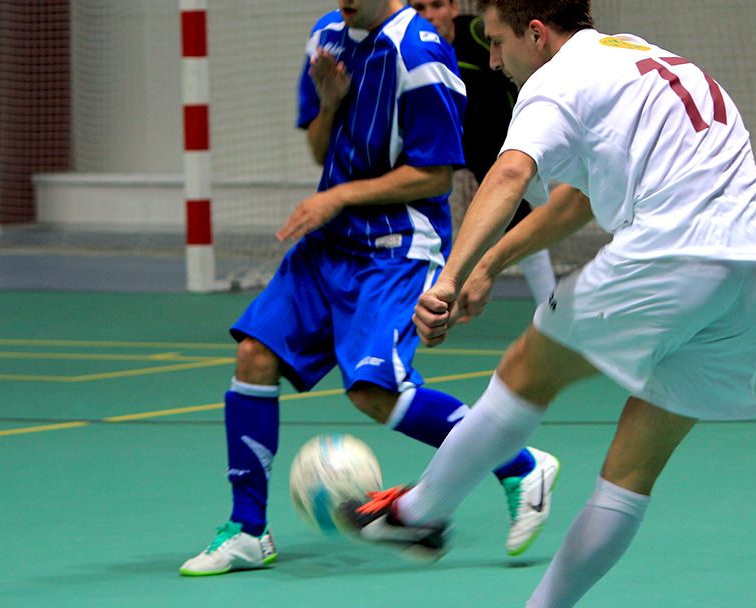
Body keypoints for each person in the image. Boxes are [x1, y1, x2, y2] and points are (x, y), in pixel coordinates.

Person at [346, 0, 756, 605]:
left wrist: (449, 278)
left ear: (537, 33)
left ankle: (419, 512)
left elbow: (506, 178)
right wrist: (491, 263)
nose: (495, 59)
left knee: (525, 373)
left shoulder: (555, 79)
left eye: (499, 42)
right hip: (755, 272)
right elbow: (575, 204)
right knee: (630, 474)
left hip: (673, 252)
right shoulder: (638, 59)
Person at [179, 0, 561, 577]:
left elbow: (435, 175)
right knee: (254, 355)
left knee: (374, 389)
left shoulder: (423, 55)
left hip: (397, 246)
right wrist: (329, 106)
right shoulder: (327, 39)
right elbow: (319, 150)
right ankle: (248, 530)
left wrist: (337, 197)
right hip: (330, 246)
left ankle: (518, 464)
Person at [409, 0, 557, 305]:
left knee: (534, 217)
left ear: (452, 8)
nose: (428, 15)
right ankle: (420, 296)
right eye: (419, 8)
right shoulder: (410, 49)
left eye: (436, 6)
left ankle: (550, 304)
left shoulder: (478, 33)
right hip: (450, 147)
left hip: (503, 143)